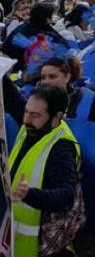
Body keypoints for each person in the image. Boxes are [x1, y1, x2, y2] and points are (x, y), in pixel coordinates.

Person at [9, 84, 84, 257]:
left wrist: (29, 194)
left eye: (34, 115)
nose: (26, 119)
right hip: (12, 233)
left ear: (56, 116)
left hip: (41, 246)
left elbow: (66, 195)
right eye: (26, 111)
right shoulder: (33, 126)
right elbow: (11, 97)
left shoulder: (62, 148)